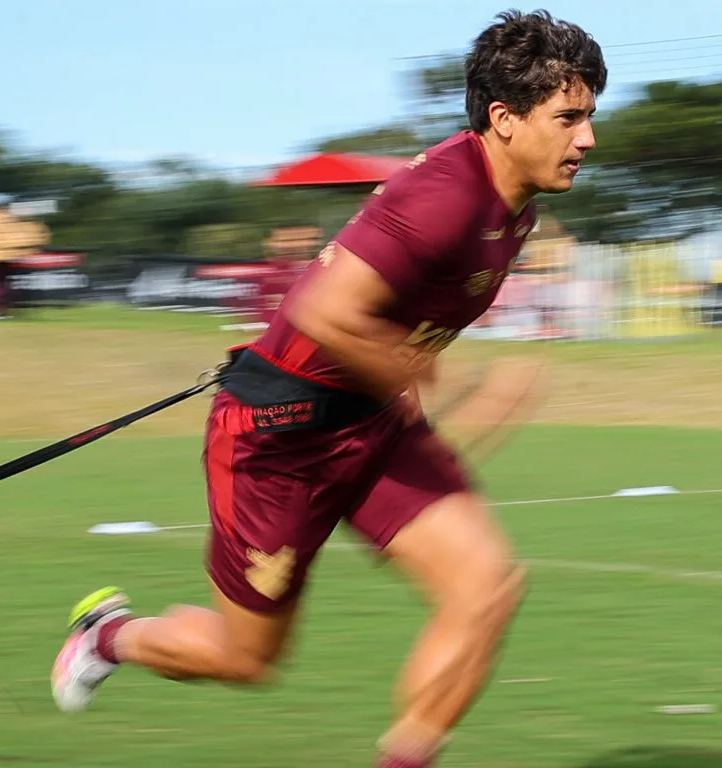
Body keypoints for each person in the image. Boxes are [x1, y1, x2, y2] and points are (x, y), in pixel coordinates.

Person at [51, 10, 607, 767]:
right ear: (505, 119)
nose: (587, 139)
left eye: (590, 117)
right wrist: (435, 385)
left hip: (373, 423)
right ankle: (108, 636)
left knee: (487, 589)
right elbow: (321, 312)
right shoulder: (444, 199)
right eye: (569, 118)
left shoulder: (516, 209)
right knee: (244, 659)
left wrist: (420, 391)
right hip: (279, 436)